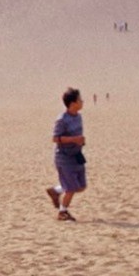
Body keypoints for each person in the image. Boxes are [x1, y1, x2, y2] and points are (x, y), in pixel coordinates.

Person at [48, 87, 86, 222]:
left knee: (81, 186)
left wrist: (80, 141)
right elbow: (55, 138)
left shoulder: (79, 117)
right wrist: (73, 139)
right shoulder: (62, 119)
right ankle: (62, 212)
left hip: (76, 155)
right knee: (70, 188)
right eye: (80, 99)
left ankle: (56, 191)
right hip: (64, 157)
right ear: (73, 103)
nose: (82, 102)